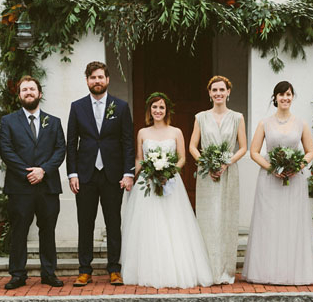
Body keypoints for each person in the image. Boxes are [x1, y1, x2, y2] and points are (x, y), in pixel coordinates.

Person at [120, 93, 213, 288]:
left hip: (171, 183)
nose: (158, 111)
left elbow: (182, 158)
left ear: (167, 110)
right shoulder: (142, 133)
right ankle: (149, 269)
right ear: (149, 110)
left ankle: (175, 269)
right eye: (154, 107)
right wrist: (130, 177)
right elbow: (139, 159)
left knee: (174, 224)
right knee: (148, 226)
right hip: (148, 183)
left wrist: (168, 172)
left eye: (161, 107)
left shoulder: (176, 132)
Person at [242, 81, 313, 285]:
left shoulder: (301, 123)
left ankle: (292, 271)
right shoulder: (264, 123)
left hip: (294, 180)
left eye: (288, 94)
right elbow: (254, 152)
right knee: (269, 223)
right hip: (269, 180)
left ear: (292, 97)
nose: (285, 98)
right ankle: (267, 271)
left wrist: (297, 166)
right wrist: (272, 168)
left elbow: (310, 151)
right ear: (275, 98)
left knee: (292, 223)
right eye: (281, 94)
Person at [66, 61, 135, 286]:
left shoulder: (121, 107)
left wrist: (128, 173)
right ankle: (84, 270)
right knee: (85, 223)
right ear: (87, 80)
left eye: (100, 77)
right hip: (85, 174)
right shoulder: (77, 107)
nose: (97, 81)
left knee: (113, 222)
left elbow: (128, 142)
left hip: (112, 174)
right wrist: (72, 173)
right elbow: (71, 142)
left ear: (107, 80)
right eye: (93, 77)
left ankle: (114, 269)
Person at [0, 76, 66, 290]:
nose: (29, 92)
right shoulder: (8, 122)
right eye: (24, 89)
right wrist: (27, 172)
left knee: (48, 230)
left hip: (48, 186)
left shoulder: (53, 122)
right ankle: (18, 274)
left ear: (40, 93)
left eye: (32, 89)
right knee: (19, 231)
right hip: (20, 187)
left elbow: (60, 150)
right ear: (19, 95)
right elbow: (6, 150)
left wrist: (43, 170)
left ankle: (48, 273)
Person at [189, 75, 247, 284]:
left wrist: (226, 162)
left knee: (226, 219)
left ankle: (225, 271)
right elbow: (192, 146)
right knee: (208, 220)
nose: (218, 93)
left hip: (229, 172)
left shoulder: (237, 117)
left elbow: (243, 147)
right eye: (214, 90)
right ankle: (207, 270)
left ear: (228, 92)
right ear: (209, 93)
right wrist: (206, 164)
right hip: (207, 175)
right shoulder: (201, 117)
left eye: (222, 89)